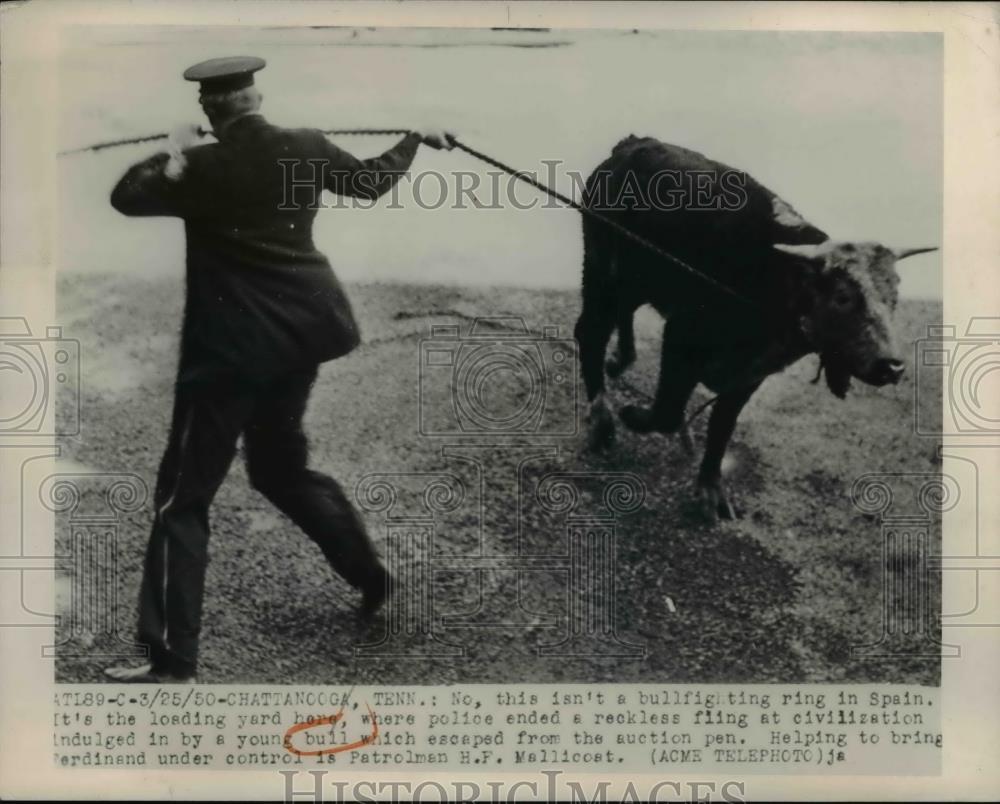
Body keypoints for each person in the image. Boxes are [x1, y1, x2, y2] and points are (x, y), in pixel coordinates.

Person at [104, 56, 454, 683]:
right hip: (301, 336)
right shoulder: (305, 146)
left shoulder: (200, 169)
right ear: (257, 95)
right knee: (279, 468)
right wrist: (414, 139)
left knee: (182, 502)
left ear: (211, 108)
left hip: (228, 355)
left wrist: (173, 151)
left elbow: (127, 198)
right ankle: (369, 574)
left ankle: (171, 658)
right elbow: (372, 182)